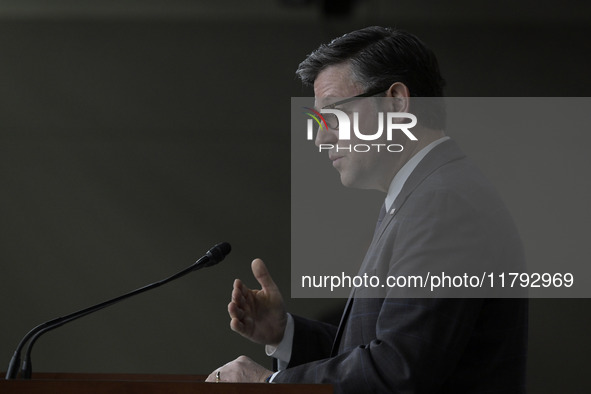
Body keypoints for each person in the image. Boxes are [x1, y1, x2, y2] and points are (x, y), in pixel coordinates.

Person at [206, 26, 528, 393]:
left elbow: (400, 371)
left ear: (396, 102)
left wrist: (270, 382)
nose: (321, 136)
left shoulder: (441, 204)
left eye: (332, 115)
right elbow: (388, 348)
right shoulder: (426, 194)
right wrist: (285, 333)